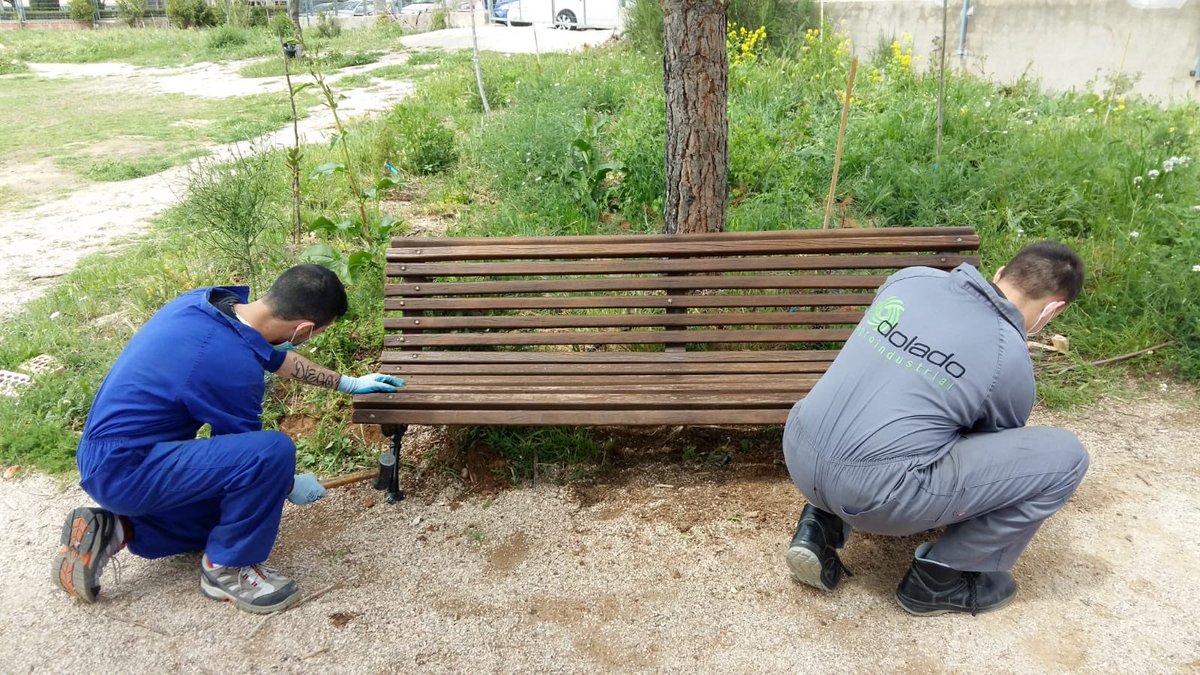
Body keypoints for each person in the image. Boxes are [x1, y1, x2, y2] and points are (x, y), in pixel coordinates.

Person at [52, 265, 404, 614]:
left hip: (113, 456)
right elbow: (251, 463)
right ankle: (228, 568)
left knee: (230, 517)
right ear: (304, 329)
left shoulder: (208, 304)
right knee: (272, 453)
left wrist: (348, 383)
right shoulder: (230, 365)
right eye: (318, 333)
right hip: (128, 468)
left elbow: (275, 358)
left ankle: (117, 527)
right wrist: (287, 482)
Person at [782, 241, 1088, 616]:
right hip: (873, 494)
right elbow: (993, 442)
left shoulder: (910, 280)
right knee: (1067, 458)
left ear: (999, 274)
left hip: (798, 448)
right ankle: (938, 579)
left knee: (884, 404)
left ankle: (819, 525)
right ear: (1053, 309)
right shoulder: (1008, 353)